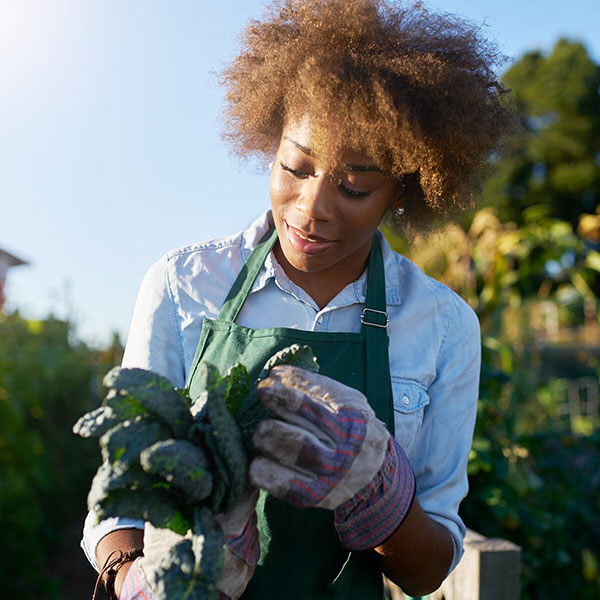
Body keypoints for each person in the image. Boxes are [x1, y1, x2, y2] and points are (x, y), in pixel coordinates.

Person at [81, 0, 517, 598]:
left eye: (355, 186)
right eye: (296, 166)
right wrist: (136, 580)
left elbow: (427, 570)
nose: (312, 209)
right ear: (271, 143)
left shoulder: (443, 326)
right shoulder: (183, 285)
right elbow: (120, 494)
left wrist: (380, 498)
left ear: (401, 189)